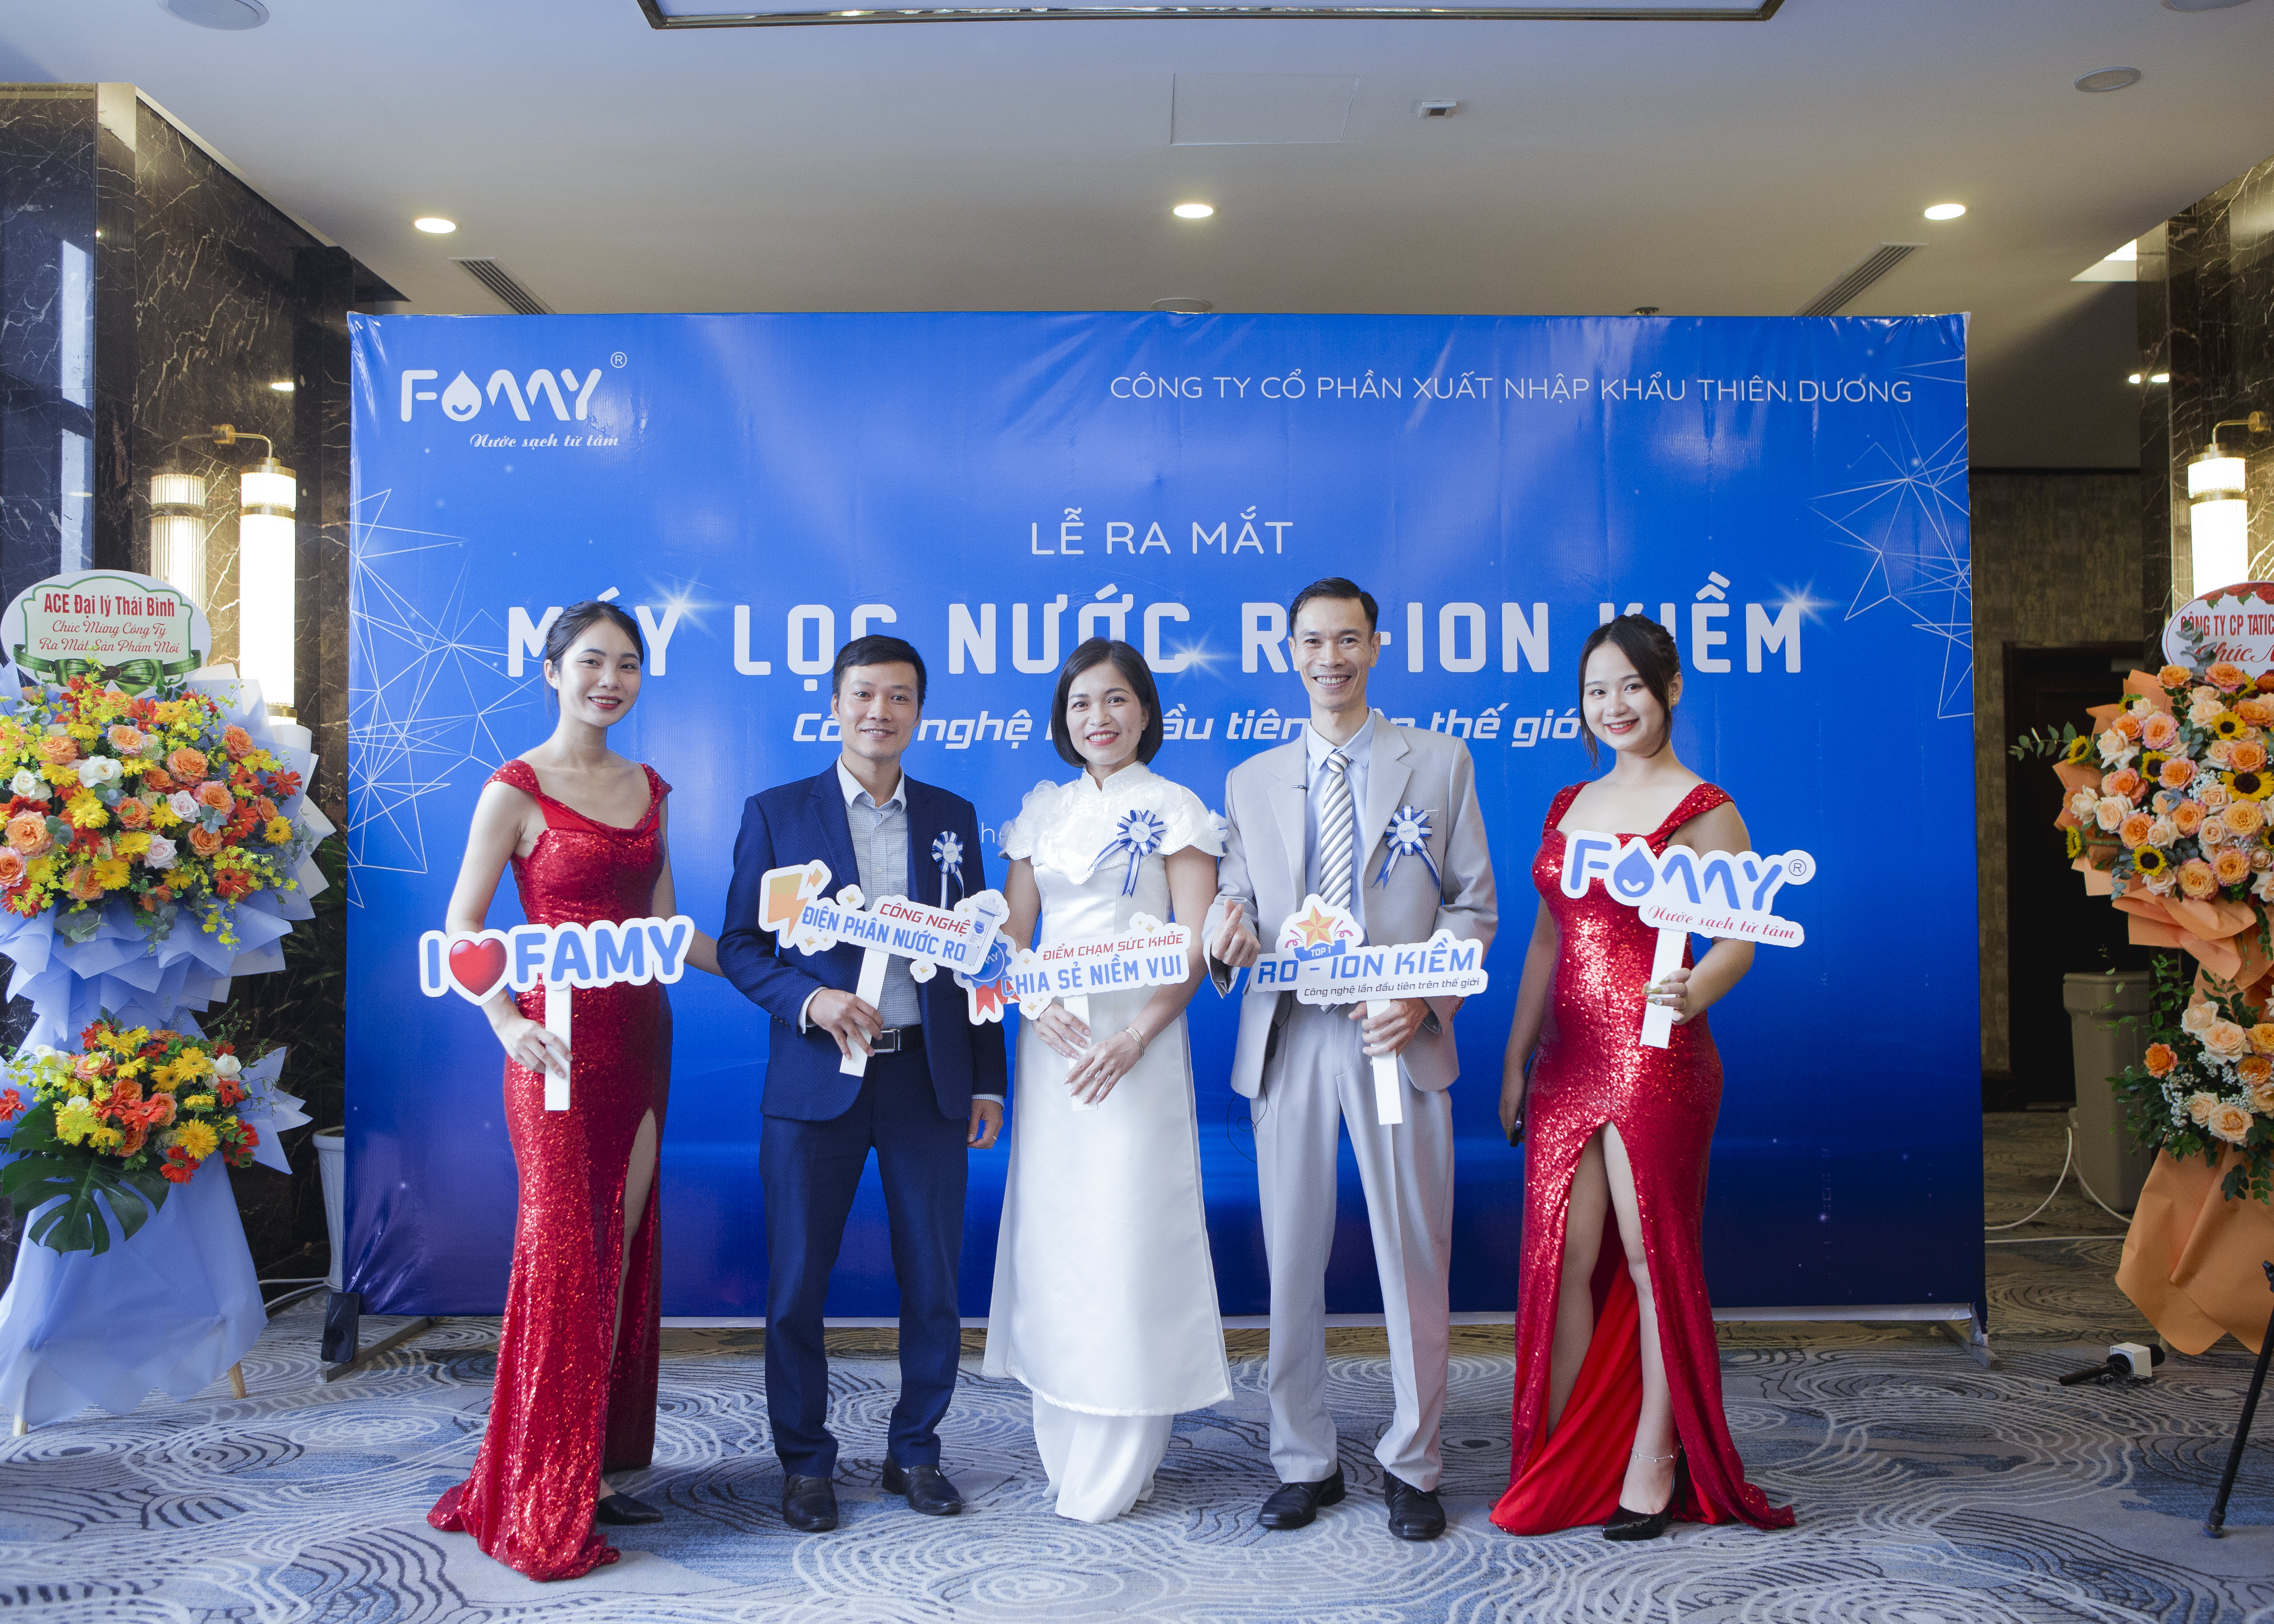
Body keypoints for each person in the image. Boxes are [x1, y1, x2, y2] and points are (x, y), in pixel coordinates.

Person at [428, 599, 723, 1582]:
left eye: (628, 664)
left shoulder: (650, 789)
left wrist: (781, 971)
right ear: (552, 670)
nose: (611, 680)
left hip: (641, 1042)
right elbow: (464, 927)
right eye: (592, 661)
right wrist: (504, 1021)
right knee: (564, 1257)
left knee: (619, 1251)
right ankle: (536, 1488)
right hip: (551, 1050)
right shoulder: (512, 790)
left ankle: (585, 1464)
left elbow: (668, 931)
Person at [1204, 577, 1496, 1543]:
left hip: (1393, 1034)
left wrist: (1421, 994)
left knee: (1413, 1251)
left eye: (1347, 640)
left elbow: (1474, 906)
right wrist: (1226, 930)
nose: (1329, 658)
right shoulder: (1251, 778)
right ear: (1288, 652)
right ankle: (1303, 1459)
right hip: (1291, 1034)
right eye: (1311, 642)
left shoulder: (1439, 761)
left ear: (1375, 647)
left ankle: (1414, 1462)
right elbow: (1236, 900)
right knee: (1291, 1255)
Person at [1490, 613, 1794, 1542]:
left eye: (1631, 686)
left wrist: (1694, 990)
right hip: (1567, 1063)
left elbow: (1740, 940)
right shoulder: (1567, 804)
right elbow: (1546, 941)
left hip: (1657, 1059)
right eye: (1596, 691)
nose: (1613, 705)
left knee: (1648, 1259)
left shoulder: (1704, 810)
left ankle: (1652, 1462)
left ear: (1670, 691)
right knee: (1568, 1258)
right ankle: (1575, 1452)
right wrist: (1515, 1058)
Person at [716, 634, 1007, 1535]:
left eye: (900, 697)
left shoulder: (953, 817)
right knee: (797, 1284)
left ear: (919, 711)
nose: (881, 712)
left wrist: (988, 1081)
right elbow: (740, 947)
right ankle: (805, 1463)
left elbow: (980, 956)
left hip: (928, 1079)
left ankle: (915, 1450)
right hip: (816, 1084)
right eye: (864, 695)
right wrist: (811, 1001)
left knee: (934, 1282)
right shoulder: (777, 813)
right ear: (835, 706)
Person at [984, 638, 1231, 1522]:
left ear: (1146, 711)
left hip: (1139, 1051)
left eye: (1117, 699)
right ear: (1064, 718)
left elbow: (1195, 945)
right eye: (1082, 702)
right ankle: (1066, 1432)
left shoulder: (1177, 809)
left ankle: (1127, 1447)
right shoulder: (1040, 814)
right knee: (1062, 1238)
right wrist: (1033, 1002)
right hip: (1053, 1047)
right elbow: (1011, 938)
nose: (1100, 717)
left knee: (1130, 1235)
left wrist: (1134, 1038)